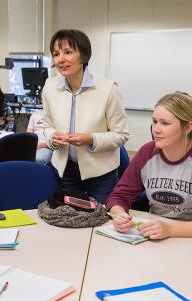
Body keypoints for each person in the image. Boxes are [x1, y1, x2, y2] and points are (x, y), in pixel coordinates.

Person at [42, 29, 129, 203]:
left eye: (68, 52)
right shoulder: (50, 87)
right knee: (72, 220)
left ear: (83, 55)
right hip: (65, 169)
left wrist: (91, 139)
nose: (61, 59)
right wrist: (52, 137)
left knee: (103, 219)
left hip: (100, 171)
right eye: (56, 54)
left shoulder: (108, 89)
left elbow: (121, 135)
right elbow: (46, 124)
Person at [106, 91, 192, 239]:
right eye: (155, 121)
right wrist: (119, 215)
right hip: (154, 233)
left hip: (189, 238)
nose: (156, 129)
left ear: (188, 127)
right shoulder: (147, 152)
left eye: (165, 123)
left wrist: (170, 230)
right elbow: (119, 196)